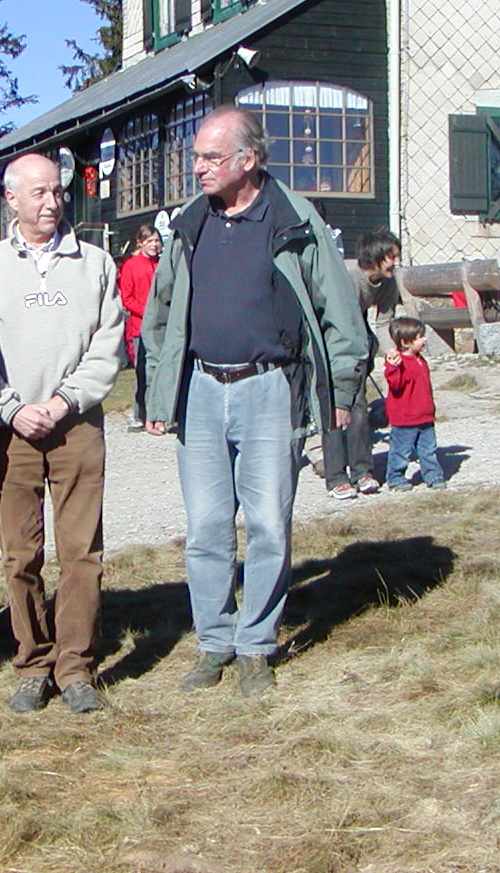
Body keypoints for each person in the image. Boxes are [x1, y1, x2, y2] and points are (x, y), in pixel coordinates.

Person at [142, 107, 368, 697]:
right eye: (194, 157)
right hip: (199, 390)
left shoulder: (293, 219)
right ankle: (214, 641)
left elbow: (338, 309)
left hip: (270, 389)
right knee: (207, 527)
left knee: (268, 522)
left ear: (248, 160)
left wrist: (343, 389)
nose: (198, 169)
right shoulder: (191, 223)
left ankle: (256, 645)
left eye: (211, 158)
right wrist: (157, 389)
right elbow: (160, 313)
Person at [0, 153, 125, 715]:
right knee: (20, 555)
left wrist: (64, 400)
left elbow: (109, 345)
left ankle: (76, 667)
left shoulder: (96, 264)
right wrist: (9, 407)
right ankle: (34, 662)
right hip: (11, 432)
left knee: (81, 552)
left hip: (77, 427)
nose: (52, 202)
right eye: (38, 193)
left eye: (57, 191)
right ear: (11, 200)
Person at [324, 229, 401, 500]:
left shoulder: (388, 283)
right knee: (336, 407)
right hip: (333, 344)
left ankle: (362, 472)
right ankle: (336, 476)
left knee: (359, 409)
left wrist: (389, 350)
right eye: (391, 257)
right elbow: (338, 322)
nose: (396, 263)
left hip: (358, 342)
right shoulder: (349, 279)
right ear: (375, 257)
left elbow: (382, 322)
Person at [382, 317, 445, 491]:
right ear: (405, 342)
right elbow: (395, 384)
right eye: (419, 337)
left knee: (428, 450)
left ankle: (433, 475)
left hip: (424, 416)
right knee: (401, 452)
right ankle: (395, 478)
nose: (424, 339)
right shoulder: (397, 362)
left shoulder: (419, 359)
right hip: (405, 419)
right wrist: (393, 367)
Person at [118, 225, 161, 431]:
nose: (154, 245)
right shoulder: (131, 266)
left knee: (159, 371)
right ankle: (140, 414)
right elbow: (127, 298)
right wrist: (148, 312)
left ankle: (157, 414)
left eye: (157, 241)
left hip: (161, 327)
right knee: (142, 373)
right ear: (140, 243)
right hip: (139, 328)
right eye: (150, 241)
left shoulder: (161, 264)